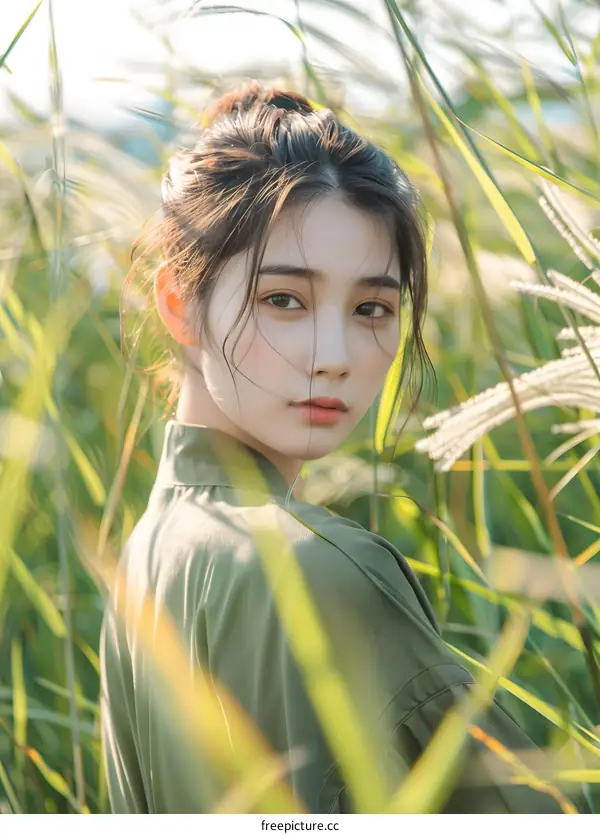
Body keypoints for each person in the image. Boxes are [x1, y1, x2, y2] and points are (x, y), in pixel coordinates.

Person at [100, 80, 569, 814]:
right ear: (178, 304)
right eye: (283, 299)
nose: (335, 354)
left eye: (372, 308)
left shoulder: (150, 552)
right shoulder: (318, 568)